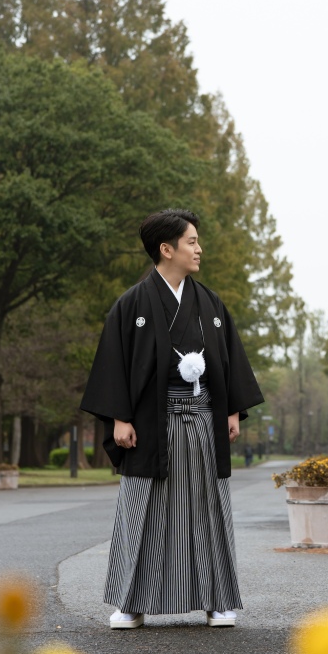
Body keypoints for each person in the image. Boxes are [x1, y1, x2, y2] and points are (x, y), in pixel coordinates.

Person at [81, 209, 263, 630]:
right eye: (192, 242)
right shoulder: (132, 305)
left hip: (201, 419)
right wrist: (119, 418)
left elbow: (227, 358)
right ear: (167, 249)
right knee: (142, 507)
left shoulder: (210, 303)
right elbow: (114, 364)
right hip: (150, 423)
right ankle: (131, 601)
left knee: (206, 508)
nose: (199, 249)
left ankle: (217, 599)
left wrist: (232, 408)